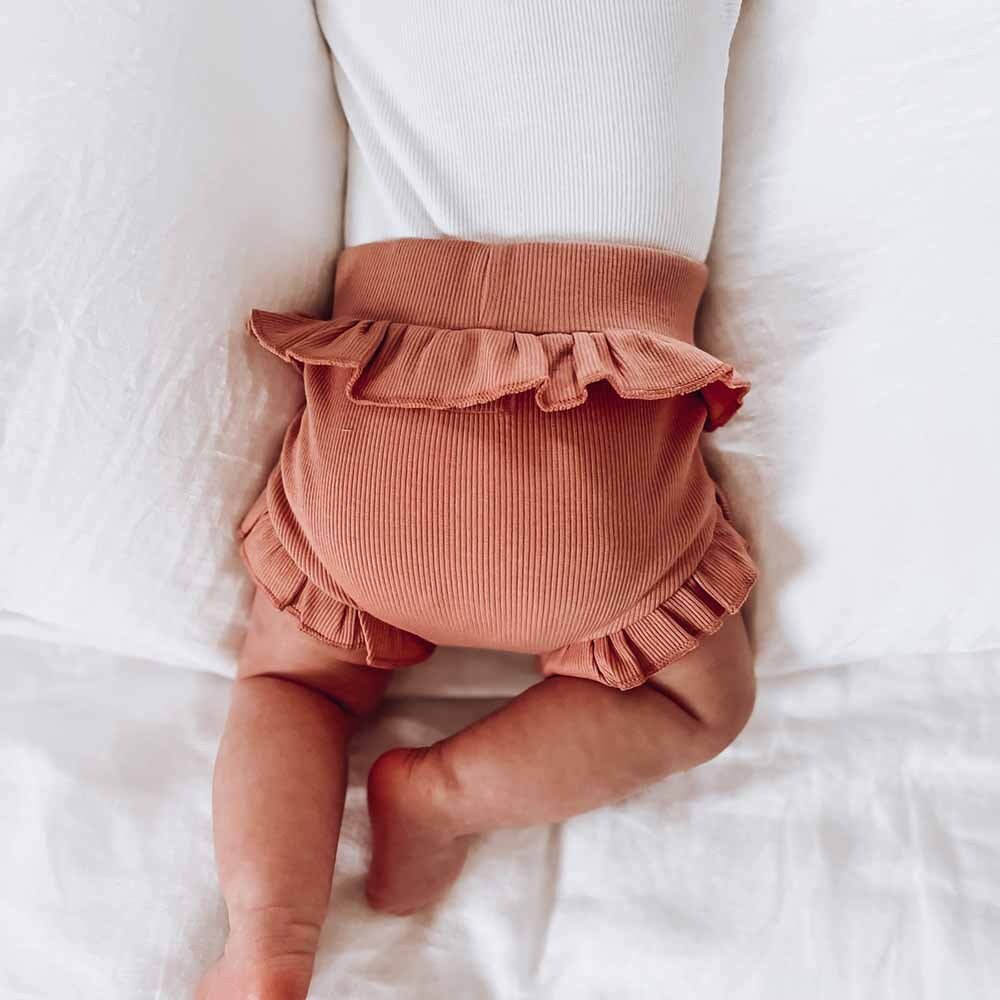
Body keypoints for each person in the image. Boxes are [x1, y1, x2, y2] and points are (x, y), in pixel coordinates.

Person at [199, 3, 753, 998]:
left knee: (291, 685)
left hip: (385, 420)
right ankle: (445, 796)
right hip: (596, 462)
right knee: (694, 702)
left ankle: (266, 936)